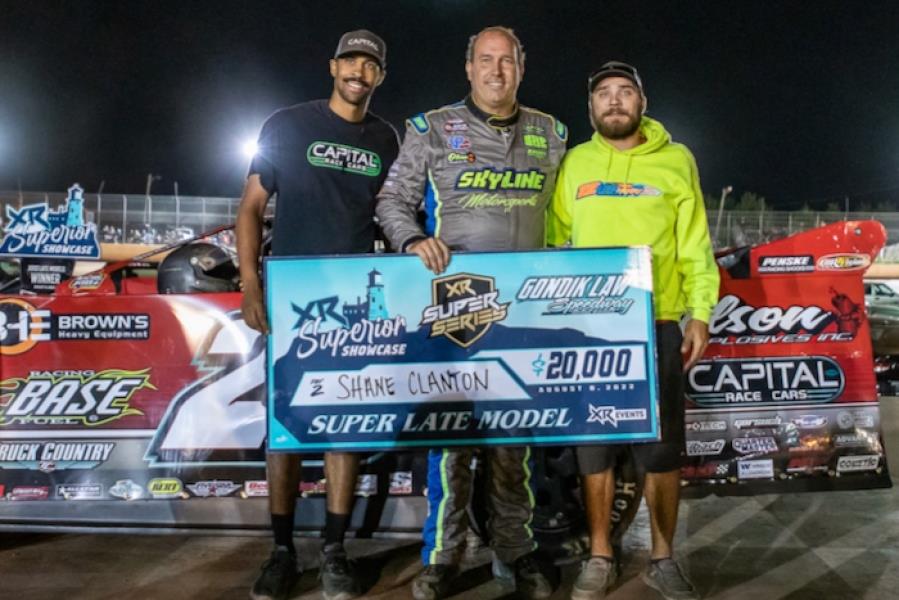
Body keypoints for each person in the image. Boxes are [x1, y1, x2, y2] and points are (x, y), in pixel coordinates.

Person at [376, 25, 567, 600]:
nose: (496, 71)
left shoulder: (552, 132)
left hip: (524, 309)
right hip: (453, 307)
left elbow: (568, 216)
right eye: (486, 60)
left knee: (514, 440)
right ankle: (443, 555)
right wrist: (412, 239)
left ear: (521, 68)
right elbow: (392, 200)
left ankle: (515, 547)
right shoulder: (432, 127)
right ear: (469, 68)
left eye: (506, 61)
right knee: (451, 440)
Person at [236, 29, 399, 600]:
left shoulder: (386, 138)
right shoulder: (286, 125)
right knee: (285, 431)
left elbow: (393, 214)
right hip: (291, 297)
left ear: (380, 76)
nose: (359, 71)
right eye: (350, 60)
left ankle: (334, 549)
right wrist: (251, 283)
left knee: (342, 427)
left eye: (370, 64)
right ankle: (282, 552)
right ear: (333, 66)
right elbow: (251, 207)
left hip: (353, 302)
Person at [547, 61, 719, 600]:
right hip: (588, 327)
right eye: (604, 93)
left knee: (661, 452)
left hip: (657, 325)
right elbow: (553, 239)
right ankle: (600, 555)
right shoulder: (575, 163)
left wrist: (700, 313)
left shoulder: (676, 159)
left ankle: (662, 559)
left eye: (625, 92)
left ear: (642, 102)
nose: (615, 101)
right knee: (593, 449)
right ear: (591, 107)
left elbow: (695, 245)